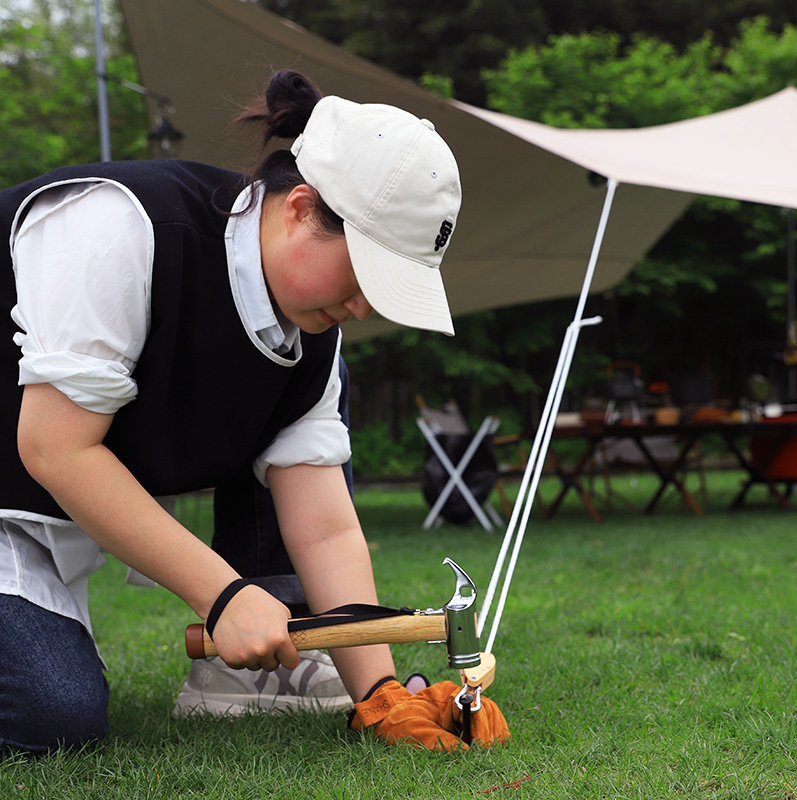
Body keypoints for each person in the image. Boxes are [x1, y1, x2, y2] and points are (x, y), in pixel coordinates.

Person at [0, 69, 509, 753]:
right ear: (301, 208)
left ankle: (250, 682)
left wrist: (382, 698)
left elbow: (324, 528)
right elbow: (56, 448)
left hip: (38, 517)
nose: (364, 307)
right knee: (48, 716)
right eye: (363, 275)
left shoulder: (311, 341)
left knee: (58, 711)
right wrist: (223, 595)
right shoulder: (124, 229)